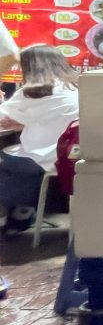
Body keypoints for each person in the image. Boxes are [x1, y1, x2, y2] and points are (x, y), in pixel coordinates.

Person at [0, 46, 80, 232]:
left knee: (7, 157)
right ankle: (23, 211)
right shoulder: (77, 87)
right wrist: (26, 123)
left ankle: (20, 208)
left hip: (40, 160)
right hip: (70, 157)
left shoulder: (33, 92)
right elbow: (55, 119)